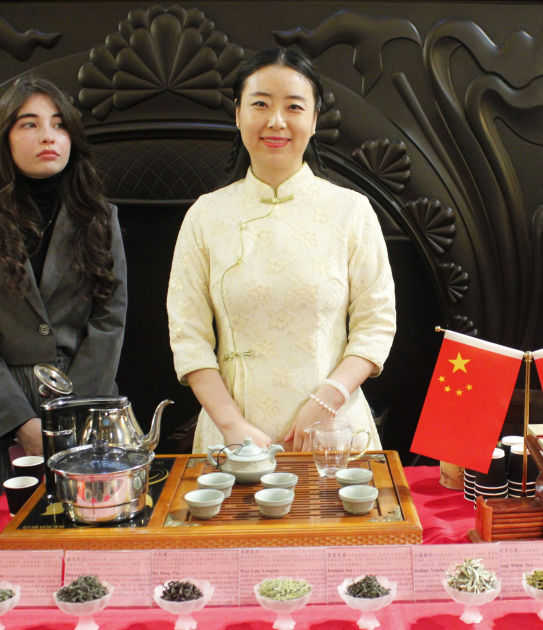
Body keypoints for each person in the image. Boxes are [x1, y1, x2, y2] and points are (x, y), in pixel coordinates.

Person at [167, 48, 396, 454]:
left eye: (293, 106)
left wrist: (327, 401)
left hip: (334, 432)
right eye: (260, 104)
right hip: (232, 441)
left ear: (313, 119)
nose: (276, 121)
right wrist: (231, 423)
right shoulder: (205, 215)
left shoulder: (351, 211)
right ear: (238, 114)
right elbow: (188, 336)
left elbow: (376, 325)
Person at [0, 77, 127, 522]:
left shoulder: (101, 218)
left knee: (90, 541)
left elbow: (110, 319)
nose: (48, 135)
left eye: (59, 125)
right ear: (5, 139)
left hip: (88, 397)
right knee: (3, 544)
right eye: (30, 124)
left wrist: (75, 412)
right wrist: (17, 421)